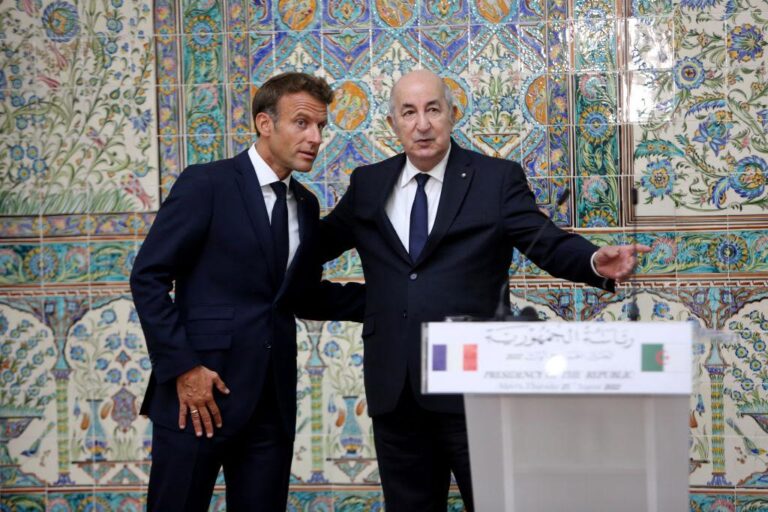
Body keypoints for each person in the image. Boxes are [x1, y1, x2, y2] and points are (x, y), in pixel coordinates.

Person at [320, 69, 651, 511]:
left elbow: (544, 241)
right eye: (409, 112)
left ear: (453, 114)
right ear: (392, 124)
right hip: (397, 394)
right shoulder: (368, 184)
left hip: (475, 390)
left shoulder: (495, 179)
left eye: (433, 110)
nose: (423, 124)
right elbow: (314, 247)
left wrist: (592, 260)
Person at [130, 72, 364, 512]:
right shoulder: (207, 184)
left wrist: (393, 301)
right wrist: (183, 368)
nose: (315, 138)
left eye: (320, 126)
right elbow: (148, 277)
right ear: (264, 123)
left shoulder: (305, 204)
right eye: (302, 123)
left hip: (270, 404)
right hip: (197, 396)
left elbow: (299, 295)